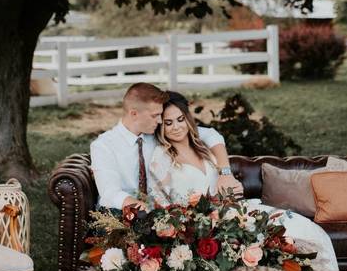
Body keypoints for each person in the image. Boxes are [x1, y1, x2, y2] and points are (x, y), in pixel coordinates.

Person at [148, 91, 338, 270]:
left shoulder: (203, 145)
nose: (176, 127)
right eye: (168, 123)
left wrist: (229, 181)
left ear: (188, 119)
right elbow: (166, 204)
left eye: (181, 119)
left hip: (237, 209)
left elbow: (213, 134)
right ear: (160, 126)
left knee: (306, 229)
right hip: (208, 224)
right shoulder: (161, 158)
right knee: (277, 242)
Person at [90, 83, 241, 211]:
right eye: (155, 115)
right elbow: (110, 193)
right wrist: (145, 211)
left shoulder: (156, 132)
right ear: (134, 114)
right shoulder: (103, 146)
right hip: (120, 214)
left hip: (160, 214)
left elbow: (210, 135)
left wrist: (226, 173)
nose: (161, 121)